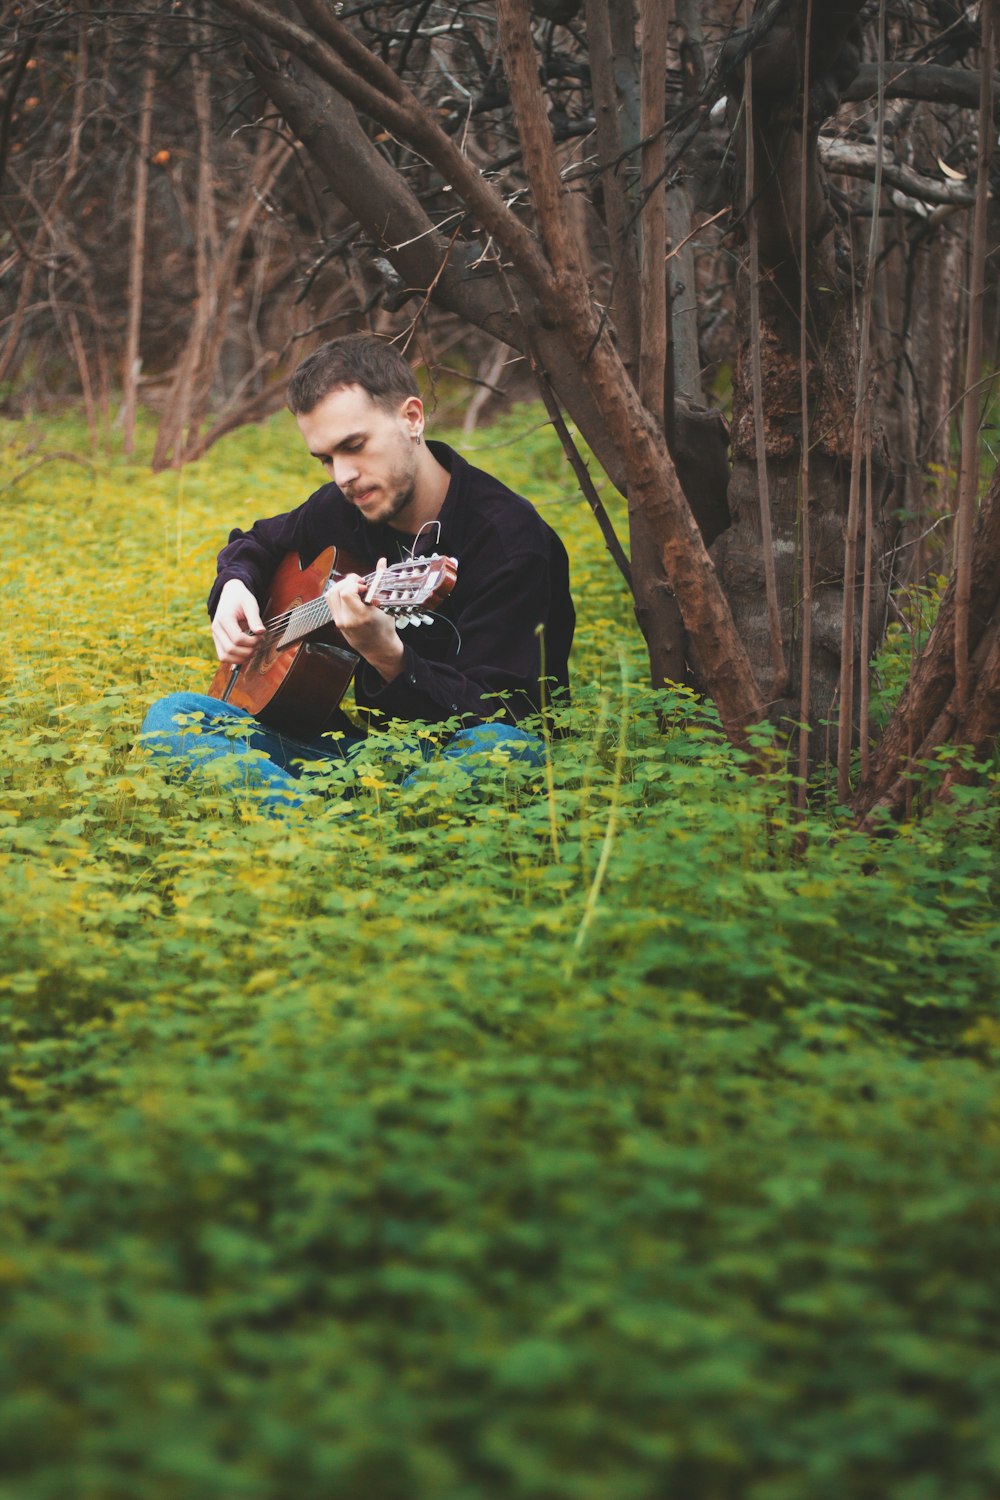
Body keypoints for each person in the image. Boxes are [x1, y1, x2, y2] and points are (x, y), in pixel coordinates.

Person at [140, 334, 575, 810]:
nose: (342, 476)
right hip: (366, 758)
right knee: (173, 718)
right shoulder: (344, 508)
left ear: (412, 418)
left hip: (467, 753)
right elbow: (258, 541)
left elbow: (503, 714)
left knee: (505, 750)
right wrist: (234, 586)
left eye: (354, 446)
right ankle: (340, 829)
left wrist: (389, 655)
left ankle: (330, 827)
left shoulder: (510, 542)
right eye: (326, 459)